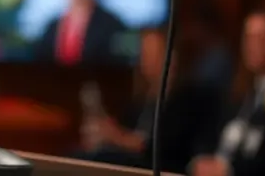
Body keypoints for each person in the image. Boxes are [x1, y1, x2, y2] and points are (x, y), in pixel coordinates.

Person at [75, 28, 218, 173]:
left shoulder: (189, 99)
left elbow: (162, 149)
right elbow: (122, 130)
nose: (146, 61)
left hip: (159, 168)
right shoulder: (141, 101)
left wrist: (117, 137)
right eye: (144, 55)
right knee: (79, 157)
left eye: (153, 54)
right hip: (127, 164)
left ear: (171, 56)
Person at [190, 11, 265, 176]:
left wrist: (231, 169)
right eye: (249, 37)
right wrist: (201, 159)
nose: (255, 45)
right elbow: (208, 135)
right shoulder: (234, 91)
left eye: (263, 37)